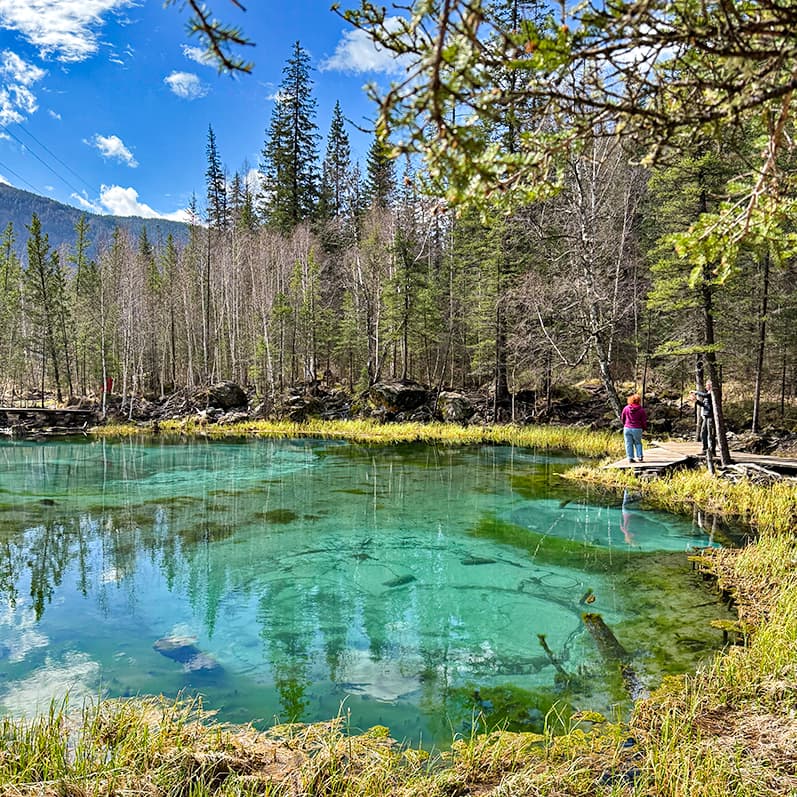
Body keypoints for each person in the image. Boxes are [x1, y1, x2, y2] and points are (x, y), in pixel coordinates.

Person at [621, 393, 647, 463]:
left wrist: (625, 424)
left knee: (628, 443)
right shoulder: (641, 410)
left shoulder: (626, 408)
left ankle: (630, 458)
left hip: (627, 428)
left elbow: (622, 418)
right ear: (639, 401)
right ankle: (640, 456)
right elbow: (644, 421)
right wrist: (644, 428)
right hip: (637, 429)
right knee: (638, 443)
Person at [690, 381, 715, 455]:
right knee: (703, 433)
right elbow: (704, 405)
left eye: (707, 385)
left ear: (710, 385)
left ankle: (711, 451)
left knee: (710, 434)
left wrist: (696, 392)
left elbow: (705, 395)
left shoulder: (712, 393)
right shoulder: (707, 394)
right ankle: (705, 449)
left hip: (711, 416)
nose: (706, 387)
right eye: (706, 385)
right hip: (706, 416)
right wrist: (696, 401)